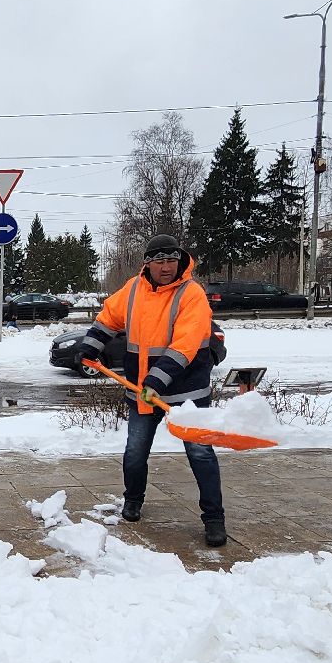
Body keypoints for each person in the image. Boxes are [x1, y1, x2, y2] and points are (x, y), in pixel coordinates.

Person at [78, 234, 226, 546]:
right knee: (134, 452)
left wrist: (156, 380)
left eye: (171, 259)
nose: (166, 266)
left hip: (186, 396)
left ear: (180, 261)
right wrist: (90, 346)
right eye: (159, 260)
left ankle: (214, 518)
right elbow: (108, 319)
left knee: (200, 454)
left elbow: (185, 345)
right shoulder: (133, 289)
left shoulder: (191, 294)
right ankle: (133, 500)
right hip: (141, 391)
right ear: (147, 263)